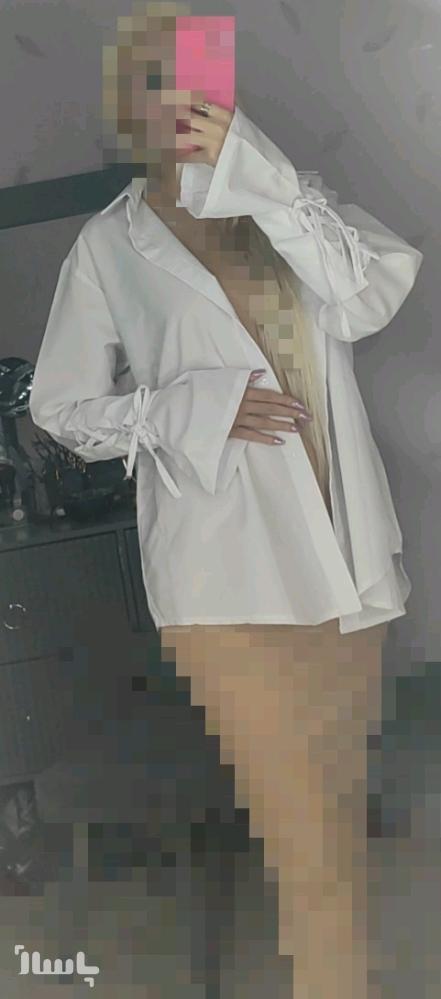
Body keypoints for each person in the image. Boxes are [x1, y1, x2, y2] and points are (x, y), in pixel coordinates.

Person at [29, 2, 424, 995]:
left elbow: (367, 299)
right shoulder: (111, 246)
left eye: (205, 77)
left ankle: (334, 975)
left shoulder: (287, 208)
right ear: (129, 104)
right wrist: (187, 407)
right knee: (298, 820)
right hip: (223, 571)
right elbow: (61, 407)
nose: (185, 100)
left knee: (330, 810)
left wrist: (271, 179)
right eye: (159, 79)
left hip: (338, 555)